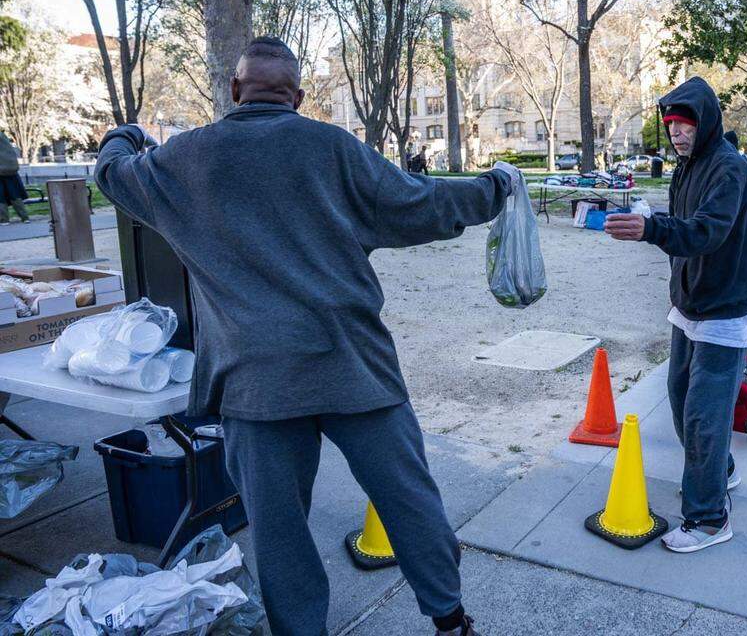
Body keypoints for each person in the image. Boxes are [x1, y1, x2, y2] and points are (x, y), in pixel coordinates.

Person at [95, 37, 513, 636]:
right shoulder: (333, 147)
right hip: (354, 365)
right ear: (297, 97)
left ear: (235, 91)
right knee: (408, 500)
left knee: (279, 530)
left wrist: (125, 134)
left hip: (255, 383)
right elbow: (421, 202)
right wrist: (494, 188)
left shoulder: (185, 161)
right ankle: (450, 621)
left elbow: (110, 175)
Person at [602, 76, 747, 554]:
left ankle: (709, 518)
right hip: (687, 307)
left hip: (723, 311)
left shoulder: (729, 171)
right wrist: (672, 270)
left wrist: (651, 230)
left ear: (705, 121)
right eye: (670, 125)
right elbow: (683, 232)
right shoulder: (685, 168)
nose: (677, 133)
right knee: (677, 396)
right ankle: (720, 471)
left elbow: (706, 232)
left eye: (685, 124)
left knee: (704, 417)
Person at [0, 131, 29, 225]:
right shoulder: (3, 136)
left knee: (0, 197)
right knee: (15, 195)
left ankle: (4, 219)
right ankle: (24, 217)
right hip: (10, 170)